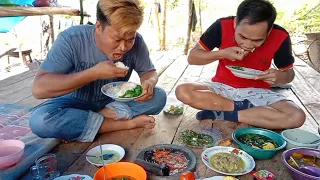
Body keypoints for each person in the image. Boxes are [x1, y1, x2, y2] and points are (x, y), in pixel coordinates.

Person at [29, 0, 167, 142]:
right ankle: (125, 124)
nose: (123, 47)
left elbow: (148, 72)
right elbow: (39, 89)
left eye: (129, 39)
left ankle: (82, 125)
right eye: (117, 39)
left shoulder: (137, 41)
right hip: (73, 104)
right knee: (41, 120)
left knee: (159, 96)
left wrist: (149, 82)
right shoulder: (71, 39)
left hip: (112, 103)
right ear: (99, 26)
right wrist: (93, 73)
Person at [175, 0, 305, 129]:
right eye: (242, 37)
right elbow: (192, 58)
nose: (248, 45)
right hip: (221, 88)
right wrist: (221, 54)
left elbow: (289, 74)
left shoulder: (280, 35)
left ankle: (225, 114)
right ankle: (247, 110)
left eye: (257, 40)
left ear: (269, 30)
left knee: (296, 116)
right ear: (235, 22)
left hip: (258, 92)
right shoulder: (222, 25)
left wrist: (279, 77)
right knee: (183, 91)